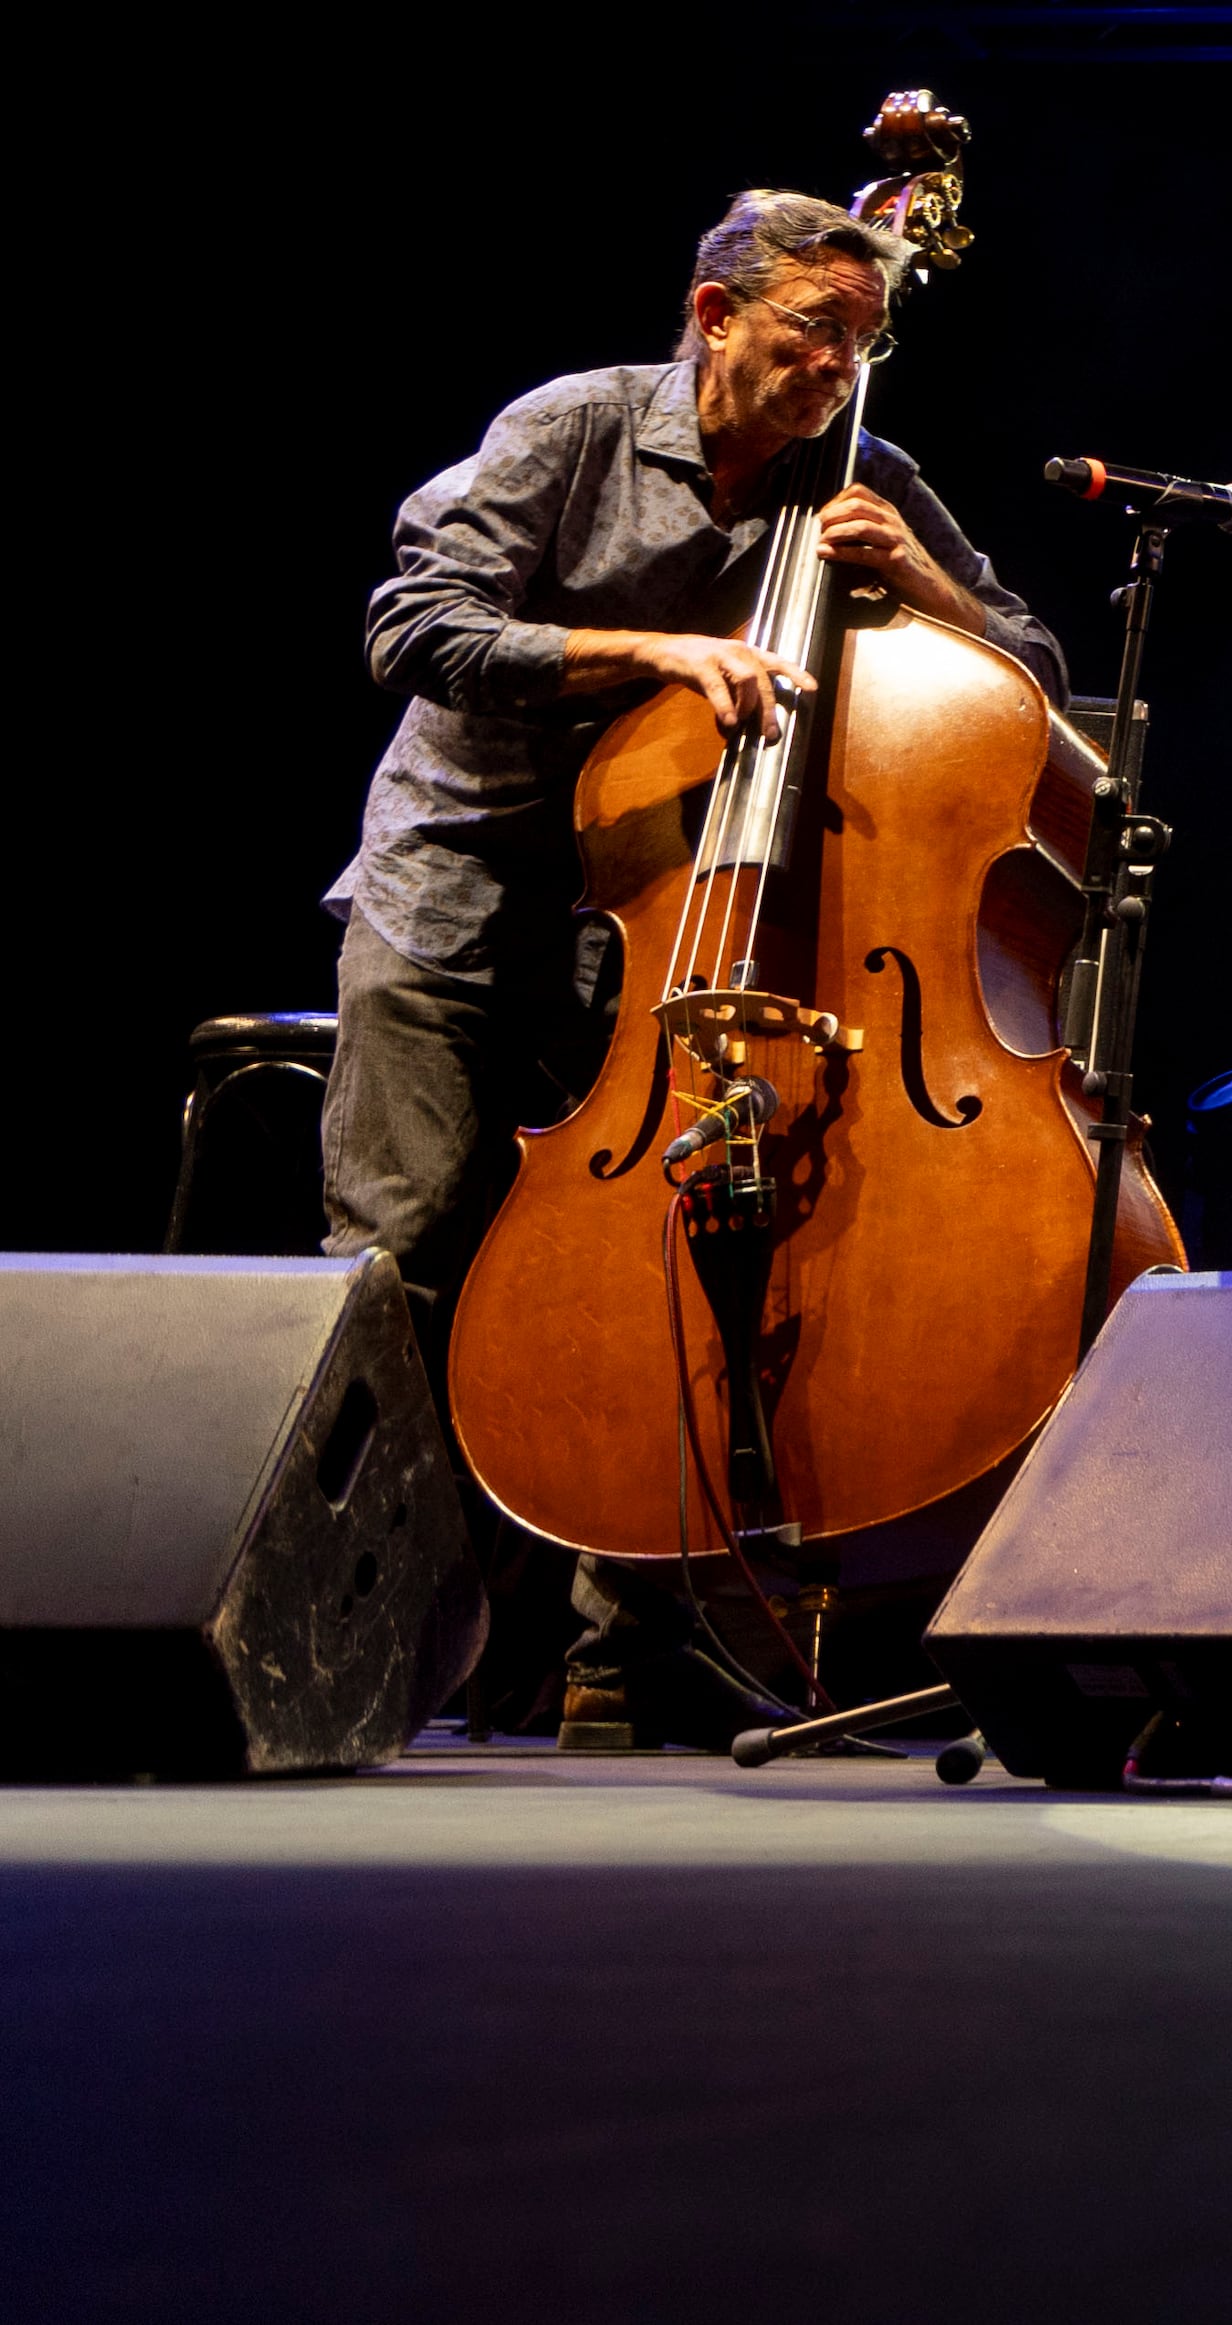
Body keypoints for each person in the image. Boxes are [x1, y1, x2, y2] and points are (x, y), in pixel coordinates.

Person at [322, 187, 1064, 1748]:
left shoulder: (861, 470)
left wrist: (920, 581)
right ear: (716, 315)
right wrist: (659, 656)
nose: (836, 376)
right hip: (462, 888)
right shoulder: (573, 429)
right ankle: (345, 1628)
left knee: (664, 1262)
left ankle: (621, 1658)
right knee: (401, 1257)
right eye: (812, 336)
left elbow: (1030, 671)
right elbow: (416, 627)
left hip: (668, 923)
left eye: (863, 343)